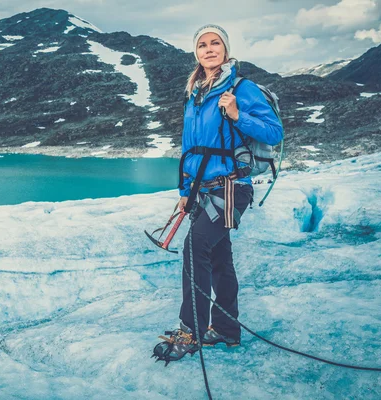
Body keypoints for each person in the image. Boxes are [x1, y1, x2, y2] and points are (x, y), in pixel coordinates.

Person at [153, 24, 283, 363]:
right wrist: (185, 190)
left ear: (225, 50)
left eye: (215, 43)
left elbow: (273, 132)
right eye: (202, 45)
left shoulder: (242, 88)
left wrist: (239, 114)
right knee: (219, 259)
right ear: (196, 53)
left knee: (195, 249)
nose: (209, 49)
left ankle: (190, 331)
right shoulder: (195, 93)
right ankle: (226, 331)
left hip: (230, 188)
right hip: (202, 190)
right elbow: (189, 148)